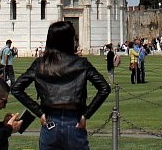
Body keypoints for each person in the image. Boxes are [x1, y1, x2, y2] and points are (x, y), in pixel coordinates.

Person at [11, 20, 111, 150]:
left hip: (50, 121)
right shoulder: (81, 63)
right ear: (69, 40)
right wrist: (85, 115)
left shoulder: (40, 63)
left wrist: (39, 113)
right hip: (74, 121)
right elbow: (104, 88)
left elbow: (16, 88)